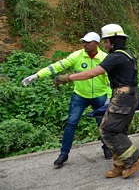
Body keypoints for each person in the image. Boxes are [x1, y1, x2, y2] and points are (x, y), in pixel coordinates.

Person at [52, 24, 139, 179]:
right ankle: (119, 165)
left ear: (114, 41)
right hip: (129, 95)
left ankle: (134, 158)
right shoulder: (127, 53)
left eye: (107, 41)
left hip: (124, 97)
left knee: (107, 130)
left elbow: (92, 73)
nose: (105, 44)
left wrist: (67, 77)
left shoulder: (115, 56)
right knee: (118, 130)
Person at [21, 32, 112, 168]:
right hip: (80, 95)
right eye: (84, 42)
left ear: (97, 43)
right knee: (71, 123)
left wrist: (109, 97)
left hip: (100, 96)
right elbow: (57, 66)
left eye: (88, 42)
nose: (85, 44)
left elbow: (110, 79)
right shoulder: (77, 55)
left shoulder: (105, 58)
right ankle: (64, 154)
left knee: (103, 124)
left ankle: (107, 148)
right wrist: (37, 75)